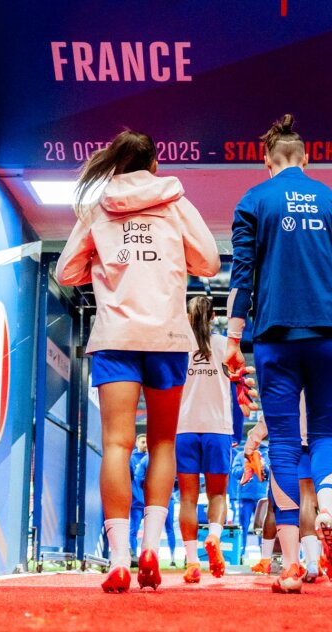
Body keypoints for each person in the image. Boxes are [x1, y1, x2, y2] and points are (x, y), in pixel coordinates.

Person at [55, 129, 219, 592]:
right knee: (163, 443)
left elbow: (66, 272)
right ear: (154, 165)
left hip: (116, 336)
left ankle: (118, 560)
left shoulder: (98, 209)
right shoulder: (176, 204)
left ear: (117, 164)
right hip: (167, 335)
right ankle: (150, 547)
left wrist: (105, 267)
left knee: (116, 445)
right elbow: (208, 263)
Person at [225, 114, 332, 594]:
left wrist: (233, 338)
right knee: (324, 434)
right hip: (331, 334)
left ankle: (290, 566)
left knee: (283, 442)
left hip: (276, 336)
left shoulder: (253, 201)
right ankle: (328, 508)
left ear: (267, 161)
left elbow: (242, 273)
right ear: (307, 158)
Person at [176, 295, 239, 583]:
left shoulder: (179, 344)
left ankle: (192, 562)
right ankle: (213, 535)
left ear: (188, 317)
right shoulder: (225, 345)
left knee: (188, 499)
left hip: (185, 428)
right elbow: (238, 384)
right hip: (217, 428)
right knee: (218, 495)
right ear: (214, 317)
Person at [128, 434, 148, 561]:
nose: (145, 445)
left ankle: (148, 556)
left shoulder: (152, 458)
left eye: (147, 442)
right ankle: (134, 556)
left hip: (150, 503)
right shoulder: (131, 459)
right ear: (136, 443)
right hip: (137, 501)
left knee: (150, 532)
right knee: (134, 530)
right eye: (142, 442)